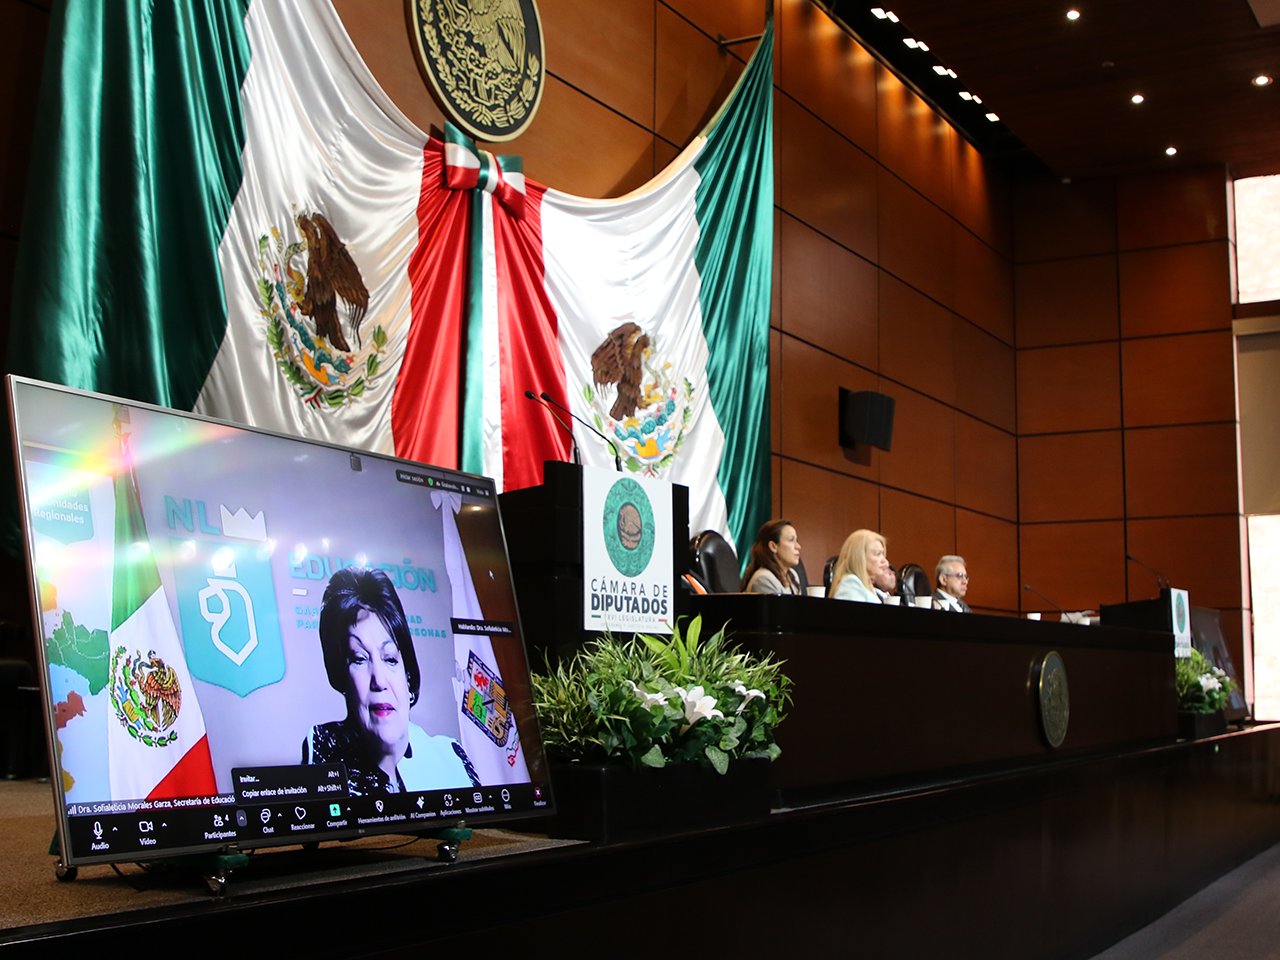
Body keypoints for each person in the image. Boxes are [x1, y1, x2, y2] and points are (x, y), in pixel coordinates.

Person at [303, 567, 479, 794]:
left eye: (390, 659)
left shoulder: (451, 759)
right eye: (360, 659)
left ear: (408, 675)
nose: (379, 681)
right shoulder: (324, 747)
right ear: (340, 676)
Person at [741, 519, 803, 595]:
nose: (798, 546)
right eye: (791, 540)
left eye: (796, 540)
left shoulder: (792, 575)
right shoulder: (764, 579)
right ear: (773, 546)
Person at [829, 530, 888, 603]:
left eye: (882, 554)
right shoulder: (850, 583)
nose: (884, 560)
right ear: (860, 557)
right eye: (878, 554)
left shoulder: (866, 585)